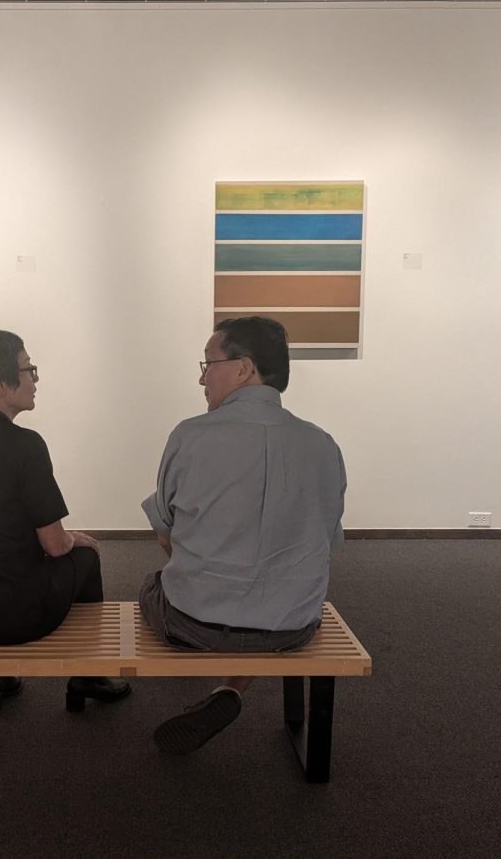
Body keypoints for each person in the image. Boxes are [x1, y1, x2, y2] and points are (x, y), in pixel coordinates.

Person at [139, 316, 346, 754]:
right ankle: (231, 690)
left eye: (208, 363)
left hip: (195, 622)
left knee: (151, 585)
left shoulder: (189, 435)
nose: (201, 377)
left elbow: (166, 535)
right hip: (292, 625)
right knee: (270, 596)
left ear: (243, 368)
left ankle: (228, 689)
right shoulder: (323, 445)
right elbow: (328, 543)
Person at [0, 328, 129, 709]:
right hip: (10, 616)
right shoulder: (25, 445)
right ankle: (89, 676)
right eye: (28, 368)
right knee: (87, 558)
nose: (34, 378)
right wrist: (77, 539)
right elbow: (54, 543)